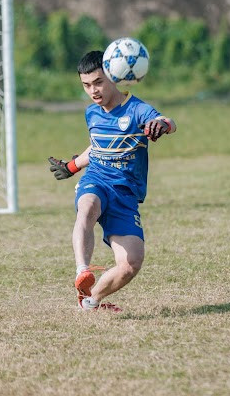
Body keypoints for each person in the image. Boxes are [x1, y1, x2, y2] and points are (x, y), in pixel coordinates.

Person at [48, 50, 176, 312]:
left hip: (125, 193)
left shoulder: (137, 109)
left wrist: (162, 125)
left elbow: (166, 121)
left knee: (131, 264)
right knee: (87, 208)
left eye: (98, 82)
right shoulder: (91, 113)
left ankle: (90, 301)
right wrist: (72, 166)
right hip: (96, 179)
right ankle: (82, 272)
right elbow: (96, 147)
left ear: (114, 77)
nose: (92, 91)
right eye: (86, 85)